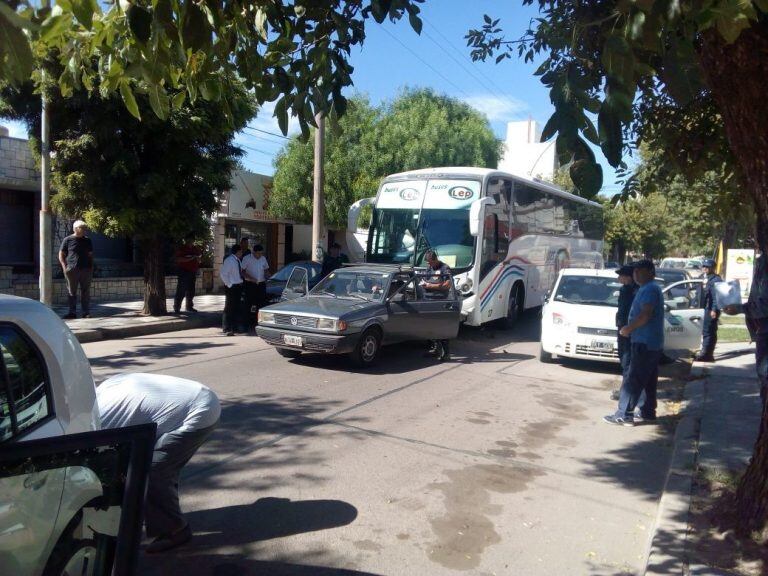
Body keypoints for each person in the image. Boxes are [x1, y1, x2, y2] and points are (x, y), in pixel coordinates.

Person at [96, 373, 220, 553]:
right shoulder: (104, 389)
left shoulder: (102, 418)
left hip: (198, 413)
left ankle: (176, 530)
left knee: (152, 472)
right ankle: (158, 511)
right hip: (195, 397)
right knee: (143, 467)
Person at [604, 259, 664, 426]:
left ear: (650, 272)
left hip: (644, 341)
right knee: (649, 379)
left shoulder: (649, 289)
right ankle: (648, 411)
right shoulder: (648, 288)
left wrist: (628, 329)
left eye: (640, 271)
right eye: (635, 271)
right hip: (651, 342)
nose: (636, 274)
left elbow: (646, 314)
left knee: (633, 379)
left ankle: (624, 414)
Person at [724, 251, 768, 399]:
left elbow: (764, 305)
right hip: (761, 330)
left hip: (765, 331)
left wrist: (740, 308)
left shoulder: (764, 264)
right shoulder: (762, 261)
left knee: (765, 378)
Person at [421, 249, 453, 361]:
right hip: (428, 301)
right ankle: (436, 349)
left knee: (441, 328)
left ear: (435, 260)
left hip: (440, 302)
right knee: (431, 327)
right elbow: (424, 280)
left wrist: (430, 286)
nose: (428, 264)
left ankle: (446, 353)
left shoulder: (445, 268)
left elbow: (447, 285)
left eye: (430, 262)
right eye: (427, 262)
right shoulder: (429, 268)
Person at [58, 219, 94, 319]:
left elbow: (90, 255)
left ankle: (85, 312)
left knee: (85, 291)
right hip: (72, 270)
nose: (84, 230)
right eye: (82, 228)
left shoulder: (88, 240)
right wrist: (64, 267)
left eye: (85, 228)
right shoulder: (67, 240)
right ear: (75, 229)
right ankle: (72, 312)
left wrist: (91, 267)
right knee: (71, 292)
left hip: (86, 270)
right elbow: (61, 254)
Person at [694, 258, 723, 362]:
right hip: (703, 308)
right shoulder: (702, 277)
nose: (705, 268)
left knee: (708, 332)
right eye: (704, 266)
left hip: (710, 309)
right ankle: (706, 353)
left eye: (707, 266)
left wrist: (714, 310)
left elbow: (716, 297)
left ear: (713, 268)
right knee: (705, 331)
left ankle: (707, 354)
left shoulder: (716, 280)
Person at [615, 264, 638, 376]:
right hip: (623, 326)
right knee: (623, 354)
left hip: (627, 327)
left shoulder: (632, 291)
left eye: (621, 275)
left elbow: (628, 310)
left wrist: (626, 327)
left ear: (628, 277)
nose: (618, 278)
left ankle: (626, 387)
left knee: (626, 356)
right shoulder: (625, 289)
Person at [241, 244, 270, 330]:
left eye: (261, 253)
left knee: (261, 304)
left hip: (261, 284)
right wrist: (251, 278)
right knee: (248, 304)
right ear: (254, 252)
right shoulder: (247, 258)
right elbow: (242, 271)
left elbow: (266, 270)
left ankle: (259, 323)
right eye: (258, 253)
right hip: (250, 284)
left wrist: (270, 277)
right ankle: (246, 324)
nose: (260, 255)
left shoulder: (263, 259)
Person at [173, 233, 201, 314]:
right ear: (186, 240)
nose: (190, 241)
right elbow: (178, 259)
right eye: (189, 240)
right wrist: (190, 258)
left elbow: (199, 260)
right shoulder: (182, 249)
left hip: (193, 272)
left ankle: (189, 306)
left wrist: (198, 259)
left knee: (191, 290)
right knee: (181, 290)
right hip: (183, 271)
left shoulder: (196, 249)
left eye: (192, 240)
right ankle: (177, 307)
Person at [220, 244, 244, 336]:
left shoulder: (237, 260)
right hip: (232, 286)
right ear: (237, 251)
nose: (242, 253)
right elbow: (223, 274)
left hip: (238, 285)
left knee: (236, 307)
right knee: (229, 307)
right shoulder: (229, 260)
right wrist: (229, 284)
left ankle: (234, 327)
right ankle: (227, 328)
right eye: (241, 251)